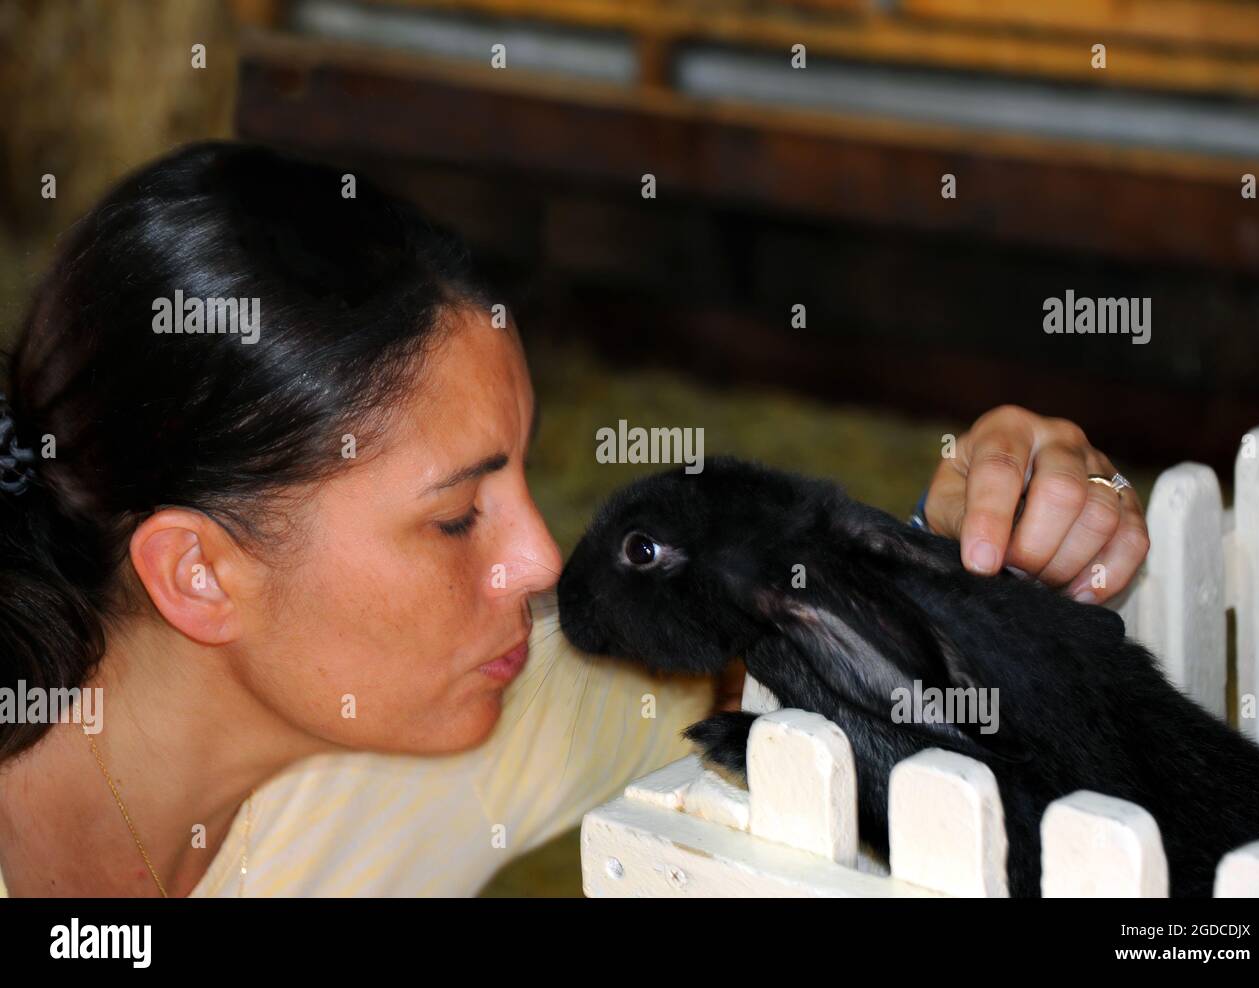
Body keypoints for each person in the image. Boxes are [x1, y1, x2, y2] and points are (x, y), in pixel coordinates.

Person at [0, 143, 1148, 897]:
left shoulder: (468, 720)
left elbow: (803, 646)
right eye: (456, 519)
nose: (540, 555)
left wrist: (991, 523)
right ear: (197, 573)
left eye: (521, 475)